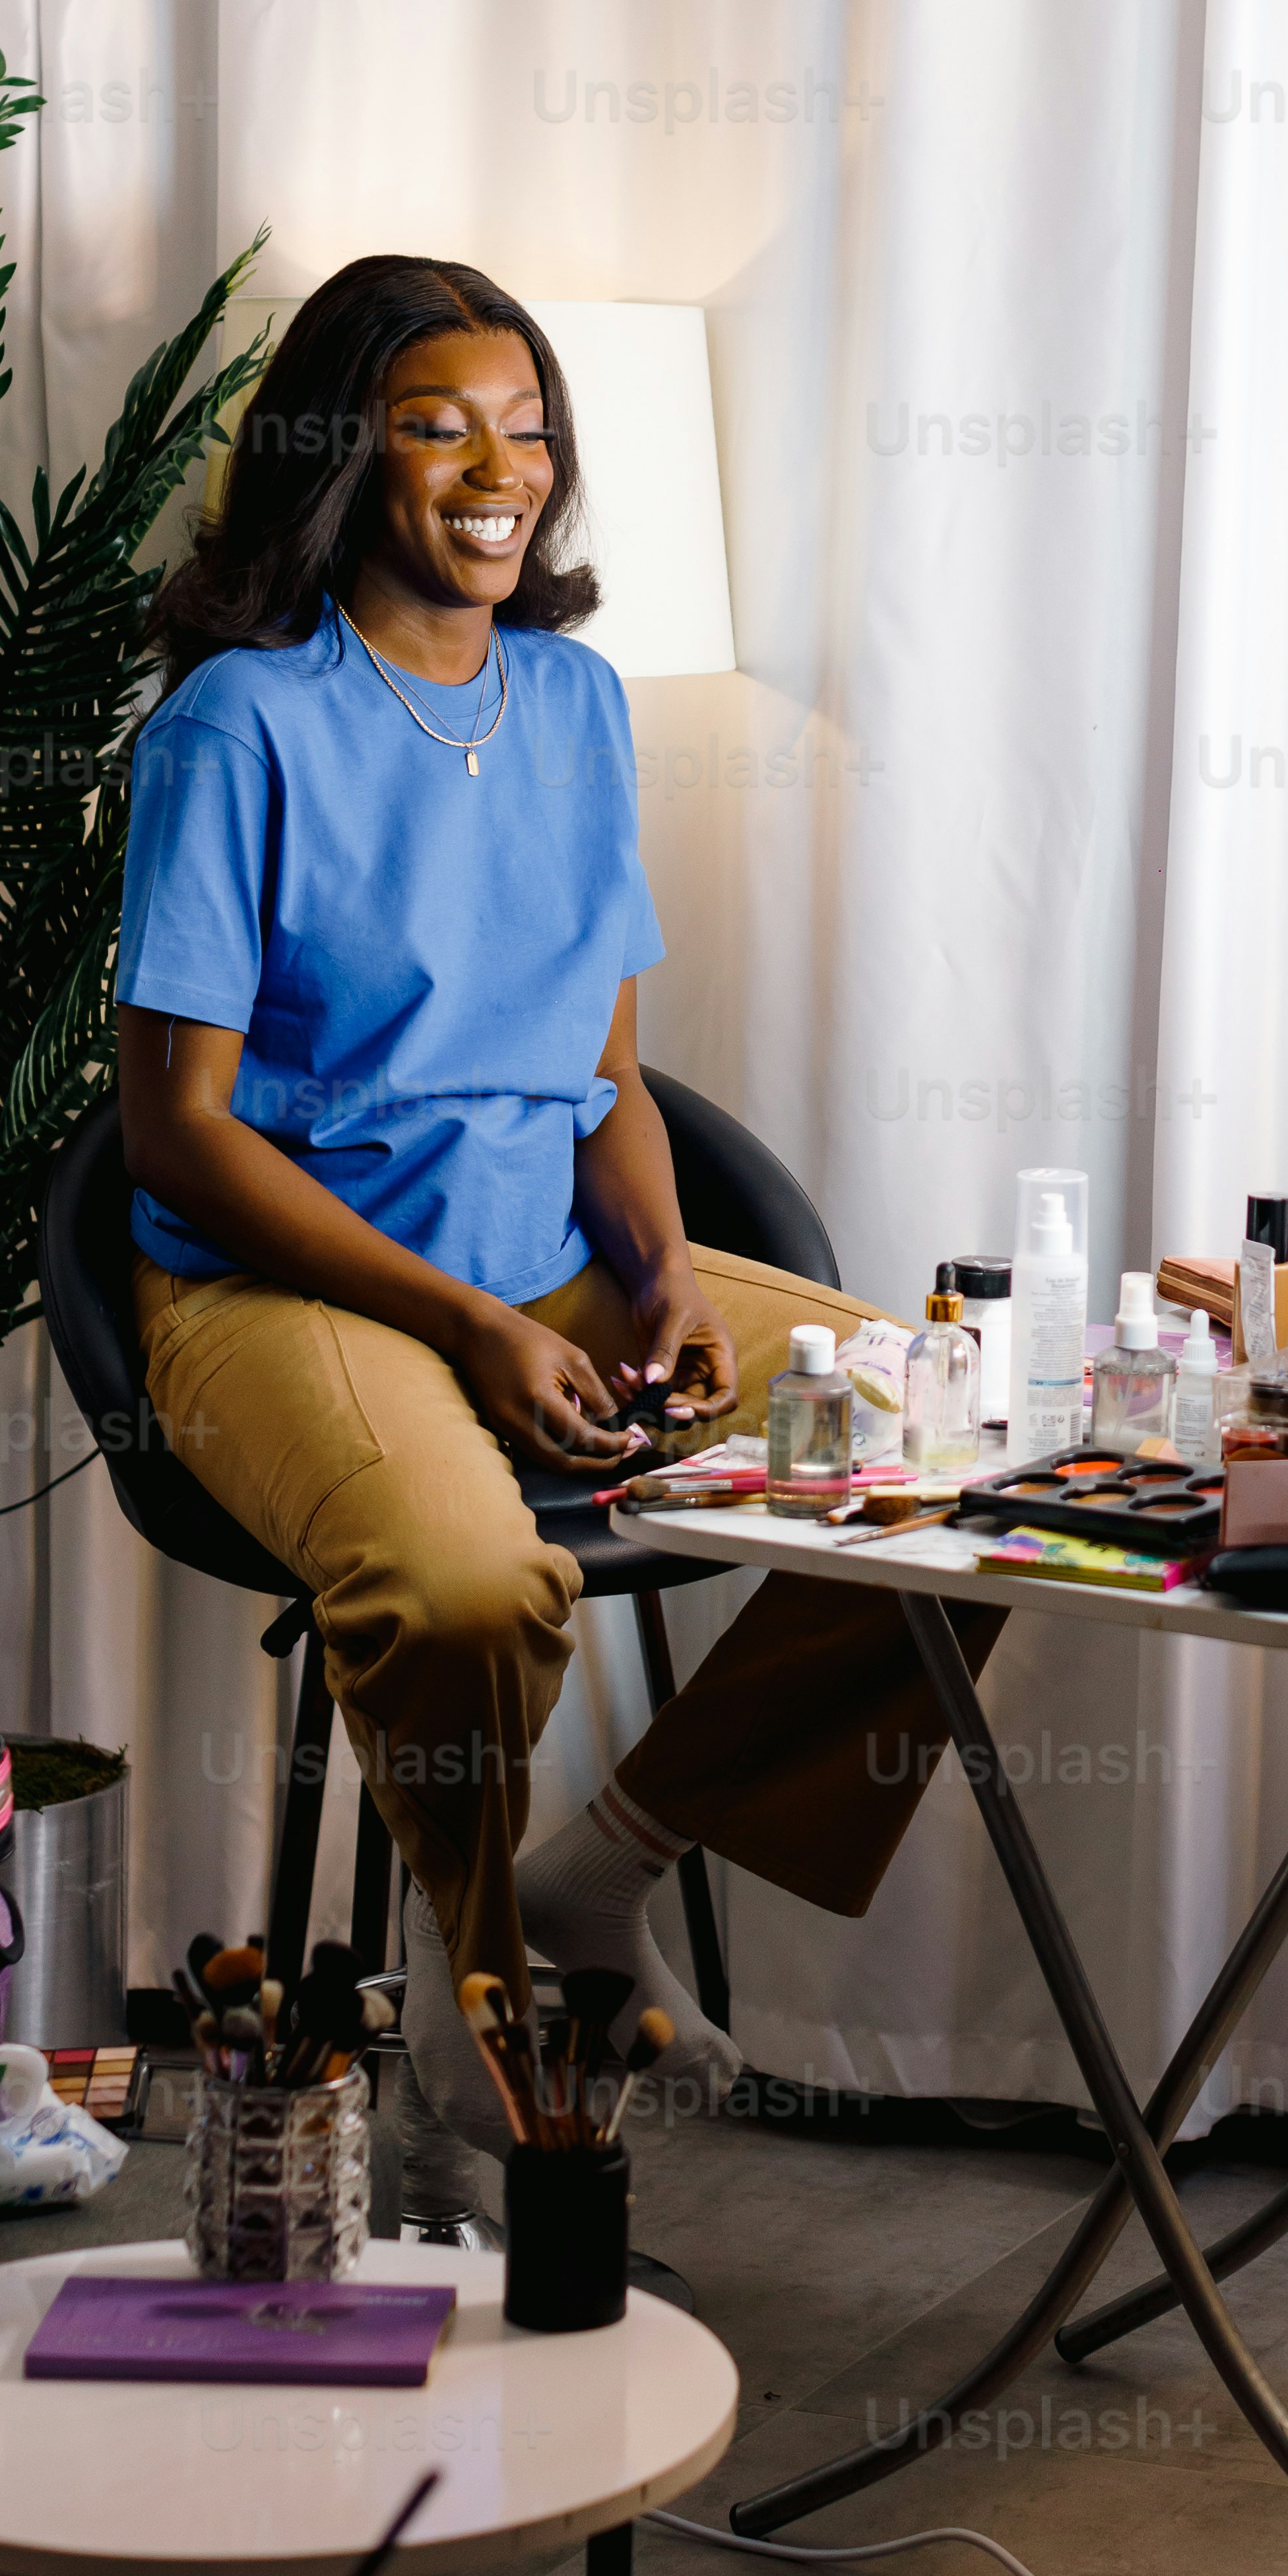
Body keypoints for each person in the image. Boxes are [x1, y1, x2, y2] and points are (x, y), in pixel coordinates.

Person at [117, 253, 994, 2179]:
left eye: (524, 429)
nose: (496, 469)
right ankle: (471, 1994)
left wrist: (664, 1277)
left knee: (962, 1451)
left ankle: (602, 1869)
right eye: (439, 429)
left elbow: (602, 1069)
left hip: (553, 1267)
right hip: (292, 1293)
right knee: (459, 1589)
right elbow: (176, 1132)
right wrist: (468, 1325)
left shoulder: (578, 702)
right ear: (348, 459)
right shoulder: (238, 730)